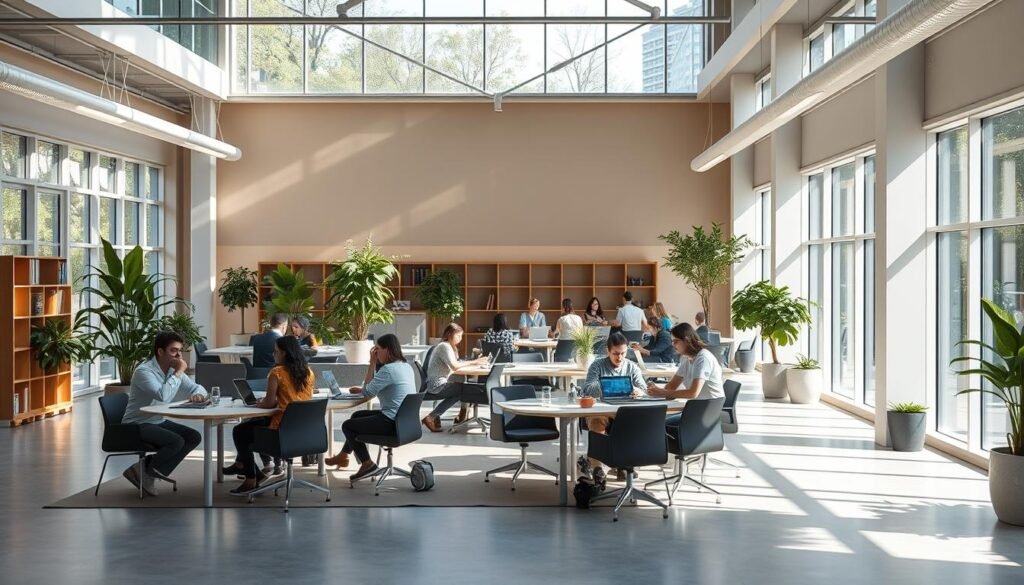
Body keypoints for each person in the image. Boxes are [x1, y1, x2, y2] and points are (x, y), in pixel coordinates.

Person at [122, 331, 208, 496]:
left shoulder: (171, 369)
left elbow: (197, 387)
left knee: (193, 437)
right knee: (176, 441)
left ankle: (146, 470)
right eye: (173, 351)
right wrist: (178, 372)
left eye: (179, 351)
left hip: (157, 420)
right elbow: (163, 396)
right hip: (137, 423)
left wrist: (199, 394)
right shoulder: (144, 372)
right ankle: (147, 472)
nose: (178, 356)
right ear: (160, 352)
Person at [226, 336, 314, 495]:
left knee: (240, 431)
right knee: (250, 427)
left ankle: (250, 477)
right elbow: (295, 399)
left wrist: (259, 403)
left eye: (276, 352)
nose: (273, 355)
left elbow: (268, 402)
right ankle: (248, 468)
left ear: (284, 354)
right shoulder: (308, 372)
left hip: (280, 431)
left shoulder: (277, 372)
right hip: (303, 431)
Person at [329, 334, 416, 480]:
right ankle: (343, 456)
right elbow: (370, 389)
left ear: (387, 350)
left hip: (391, 423)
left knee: (348, 426)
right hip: (405, 422)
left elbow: (368, 392)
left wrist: (372, 363)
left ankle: (367, 463)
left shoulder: (388, 370)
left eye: (378, 349)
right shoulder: (406, 366)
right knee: (357, 416)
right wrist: (365, 388)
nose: (375, 353)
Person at [580, 332, 647, 482]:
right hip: (602, 410)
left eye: (623, 353)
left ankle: (624, 464)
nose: (620, 357)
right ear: (607, 351)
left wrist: (639, 391)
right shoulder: (597, 365)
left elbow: (644, 388)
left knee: (634, 421)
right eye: (616, 353)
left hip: (625, 411)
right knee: (596, 420)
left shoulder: (632, 366)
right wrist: (610, 384)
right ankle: (598, 469)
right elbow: (588, 389)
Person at [647, 323, 725, 440]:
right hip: (696, 409)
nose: (672, 345)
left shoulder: (703, 359)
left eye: (676, 341)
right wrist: (653, 391)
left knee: (656, 424)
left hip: (707, 413)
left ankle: (655, 455)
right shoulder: (686, 358)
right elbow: (671, 386)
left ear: (687, 340)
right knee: (654, 421)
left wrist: (663, 392)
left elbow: (693, 393)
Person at [420, 323, 490, 432]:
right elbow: (455, 366)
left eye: (461, 336)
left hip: (440, 382)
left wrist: (473, 363)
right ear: (449, 334)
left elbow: (456, 363)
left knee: (460, 391)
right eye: (458, 336)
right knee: (462, 389)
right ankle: (437, 417)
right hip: (436, 385)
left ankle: (435, 417)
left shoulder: (450, 347)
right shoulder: (444, 346)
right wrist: (474, 362)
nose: (460, 339)